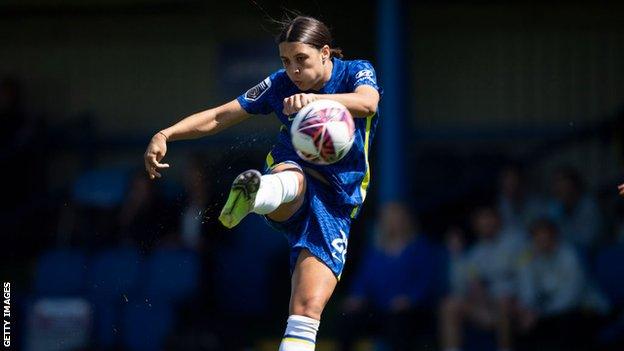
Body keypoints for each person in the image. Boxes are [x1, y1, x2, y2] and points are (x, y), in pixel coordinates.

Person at [143, 15, 381, 351]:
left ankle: (260, 196)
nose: (293, 70)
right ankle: (257, 193)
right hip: (292, 170)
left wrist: (317, 102)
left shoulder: (355, 70)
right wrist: (165, 134)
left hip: (337, 201)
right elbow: (219, 115)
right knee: (294, 178)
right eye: (286, 61)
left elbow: (368, 102)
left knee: (306, 310)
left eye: (301, 60)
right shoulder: (280, 84)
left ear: (325, 53)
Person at [339, 202, 440, 351]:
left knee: (399, 323)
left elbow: (428, 281)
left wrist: (410, 299)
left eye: (396, 217)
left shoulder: (420, 248)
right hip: (380, 310)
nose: (392, 222)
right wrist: (356, 297)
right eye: (387, 218)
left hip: (411, 312)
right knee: (348, 318)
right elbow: (363, 282)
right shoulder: (375, 252)